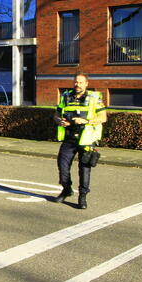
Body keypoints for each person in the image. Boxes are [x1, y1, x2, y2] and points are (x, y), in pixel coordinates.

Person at [54, 73, 107, 209]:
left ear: (87, 84)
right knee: (62, 166)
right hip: (69, 138)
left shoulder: (95, 98)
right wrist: (59, 121)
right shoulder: (65, 96)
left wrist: (86, 121)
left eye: (81, 82)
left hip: (87, 139)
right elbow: (56, 114)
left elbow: (103, 117)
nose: (77, 84)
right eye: (76, 82)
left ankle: (82, 197)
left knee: (84, 170)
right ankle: (66, 189)